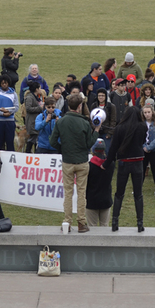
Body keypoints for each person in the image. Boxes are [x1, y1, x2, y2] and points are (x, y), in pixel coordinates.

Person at [50, 93, 99, 232]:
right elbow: (89, 143)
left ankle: (67, 221)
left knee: (68, 193)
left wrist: (63, 149)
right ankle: (82, 223)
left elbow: (52, 141)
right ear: (79, 106)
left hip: (67, 161)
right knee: (81, 193)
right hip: (82, 161)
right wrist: (96, 131)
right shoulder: (84, 122)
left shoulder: (61, 121)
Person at [106, 106, 148, 232]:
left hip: (124, 162)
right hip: (138, 162)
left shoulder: (119, 128)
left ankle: (115, 222)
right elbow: (142, 142)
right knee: (138, 194)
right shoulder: (142, 126)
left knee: (119, 194)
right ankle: (140, 223)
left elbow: (113, 148)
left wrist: (107, 163)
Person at [0, 75, 18, 151]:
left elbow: (16, 107)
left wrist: (9, 112)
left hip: (10, 121)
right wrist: (2, 113)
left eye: (5, 83)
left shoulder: (13, 94)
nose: (4, 85)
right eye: (2, 83)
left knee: (10, 142)